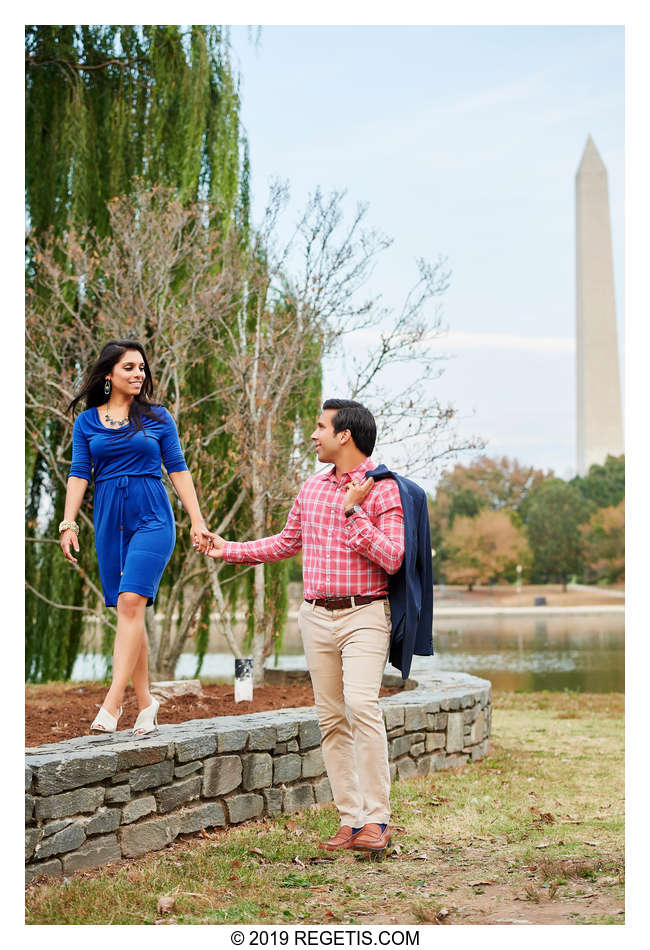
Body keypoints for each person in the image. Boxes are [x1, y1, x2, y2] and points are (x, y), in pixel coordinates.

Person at [202, 399, 404, 854]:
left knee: (361, 706)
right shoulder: (312, 488)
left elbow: (393, 557)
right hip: (315, 616)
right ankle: (350, 820)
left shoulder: (383, 490)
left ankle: (378, 820)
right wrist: (226, 548)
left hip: (365, 614)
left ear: (344, 435)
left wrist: (354, 512)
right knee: (331, 717)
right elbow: (286, 542)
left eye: (319, 427)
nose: (313, 435)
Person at [60, 340, 209, 736]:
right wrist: (68, 523)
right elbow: (79, 473)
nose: (138, 373)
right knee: (130, 610)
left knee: (130, 601)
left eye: (141, 367)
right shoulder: (87, 422)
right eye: (129, 367)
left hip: (152, 516)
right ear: (109, 374)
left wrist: (196, 520)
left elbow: (177, 469)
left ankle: (113, 702)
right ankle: (146, 703)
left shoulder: (158, 417)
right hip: (109, 520)